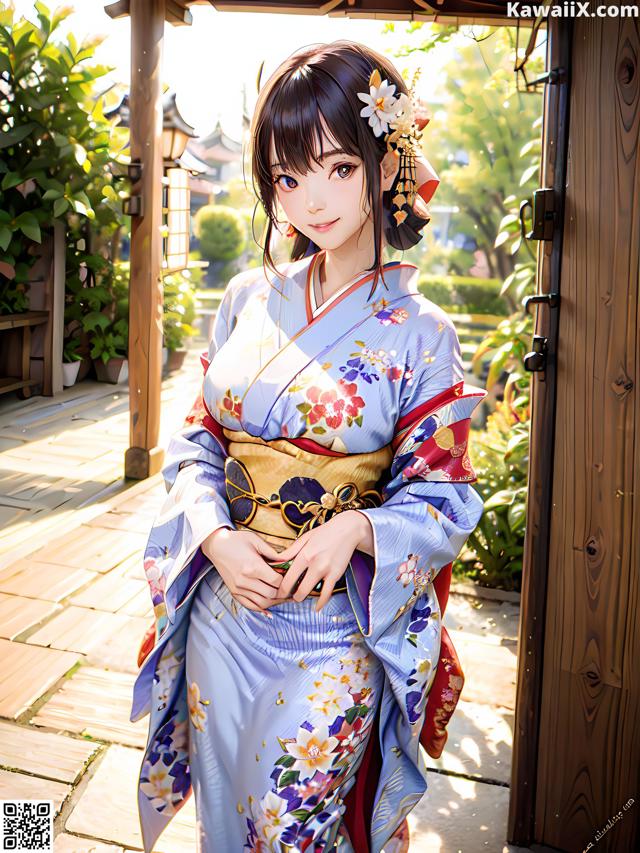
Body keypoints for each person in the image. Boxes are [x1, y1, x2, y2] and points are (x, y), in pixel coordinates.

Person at [130, 40, 487, 853]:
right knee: (225, 819)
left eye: (337, 167)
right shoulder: (246, 298)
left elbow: (443, 495)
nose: (310, 201)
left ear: (384, 162)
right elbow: (195, 441)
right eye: (288, 177)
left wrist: (359, 529)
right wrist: (214, 536)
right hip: (228, 603)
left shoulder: (423, 334)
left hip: (335, 630)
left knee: (298, 826)